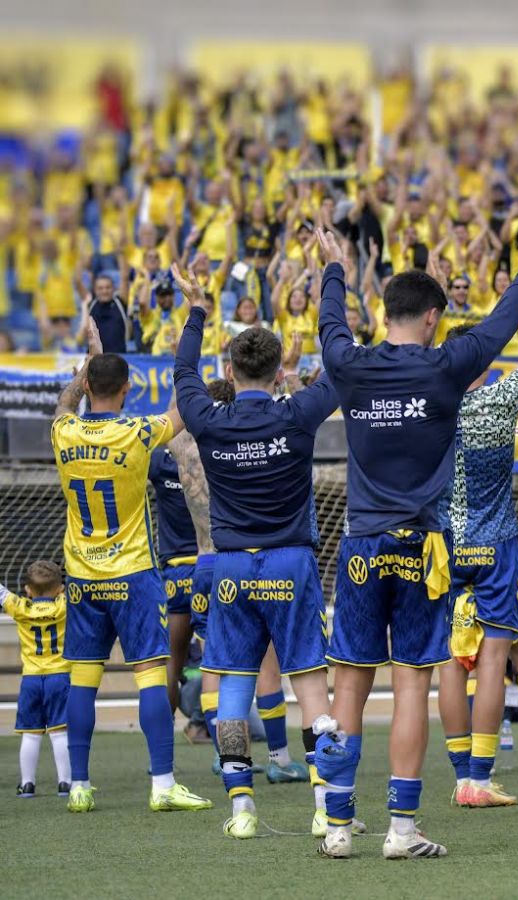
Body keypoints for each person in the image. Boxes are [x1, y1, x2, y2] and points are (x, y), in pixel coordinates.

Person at [313, 216, 518, 860]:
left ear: (384, 314)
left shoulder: (349, 365)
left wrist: (334, 269)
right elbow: (504, 325)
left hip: (361, 544)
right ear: (431, 317)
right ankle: (401, 830)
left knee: (348, 687)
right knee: (412, 687)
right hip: (423, 548)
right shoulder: (448, 367)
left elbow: (330, 324)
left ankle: (337, 827)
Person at [170, 261, 343, 841]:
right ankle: (324, 806)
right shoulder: (298, 412)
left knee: (234, 688)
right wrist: (330, 283)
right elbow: (340, 367)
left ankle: (242, 808)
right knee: (311, 685)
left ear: (229, 370)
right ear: (278, 373)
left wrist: (197, 310)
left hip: (230, 568)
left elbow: (182, 371)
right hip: (291, 562)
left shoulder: (207, 420)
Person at [50, 322, 211, 814]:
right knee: (149, 674)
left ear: (87, 386)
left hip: (82, 575)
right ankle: (162, 784)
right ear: (126, 389)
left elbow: (62, 406)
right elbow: (185, 412)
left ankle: (79, 785)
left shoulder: (63, 431)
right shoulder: (136, 432)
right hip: (134, 572)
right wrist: (187, 352)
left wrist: (86, 365)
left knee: (82, 680)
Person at [151, 393, 311, 788]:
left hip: (201, 565)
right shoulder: (236, 447)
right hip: (238, 558)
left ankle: (217, 755)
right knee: (267, 663)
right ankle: (279, 758)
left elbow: (174, 420)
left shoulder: (186, 450)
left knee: (212, 663)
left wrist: (182, 379)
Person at [435, 296, 518, 809]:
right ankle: (480, 779)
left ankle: (460, 775)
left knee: (449, 659)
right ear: (481, 362)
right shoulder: (497, 404)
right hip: (495, 543)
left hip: (442, 545)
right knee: (492, 658)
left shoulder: (428, 407)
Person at [3, 561, 71, 798]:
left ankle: (27, 784)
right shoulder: (64, 606)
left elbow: (2, 594)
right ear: (60, 589)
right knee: (60, 732)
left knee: (30, 733)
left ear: (27, 590)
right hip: (60, 676)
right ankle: (65, 783)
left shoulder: (20, 607)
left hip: (31, 679)